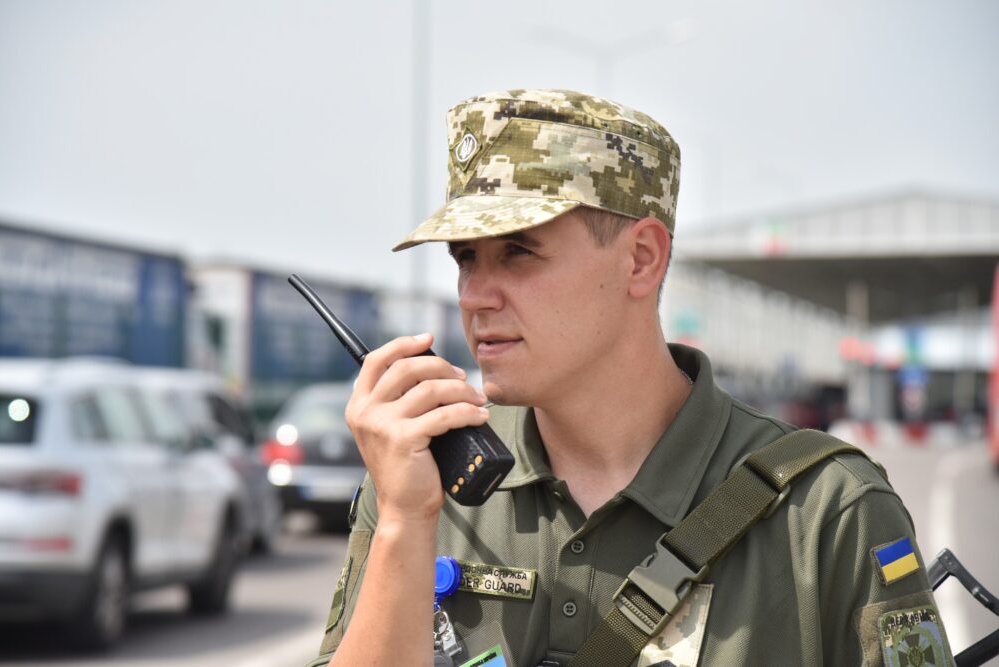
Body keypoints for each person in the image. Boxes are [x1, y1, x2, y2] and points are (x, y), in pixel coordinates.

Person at [306, 89, 953, 667]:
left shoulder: (829, 513)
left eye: (518, 252)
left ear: (641, 259)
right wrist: (403, 521)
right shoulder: (422, 478)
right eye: (465, 259)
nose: (475, 295)